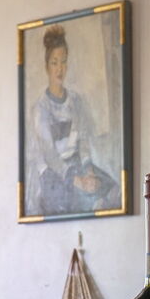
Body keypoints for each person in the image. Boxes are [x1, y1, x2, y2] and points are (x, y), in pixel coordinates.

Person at [27, 24, 116, 215]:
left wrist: (88, 170)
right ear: (46, 66)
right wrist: (78, 182)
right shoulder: (40, 108)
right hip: (53, 173)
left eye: (63, 62)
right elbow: (50, 156)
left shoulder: (76, 101)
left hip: (76, 167)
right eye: (54, 63)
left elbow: (83, 142)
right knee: (76, 201)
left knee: (112, 190)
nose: (60, 69)